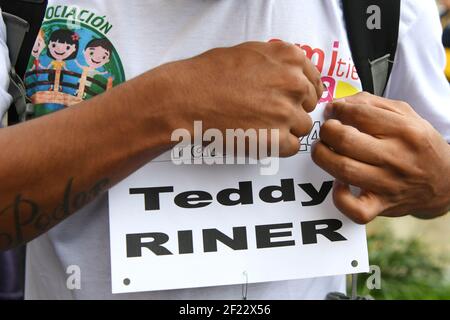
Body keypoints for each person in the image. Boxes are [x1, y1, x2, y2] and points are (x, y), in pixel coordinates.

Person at [0, 0, 449, 300]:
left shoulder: (386, 10)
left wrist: (436, 182)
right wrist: (168, 106)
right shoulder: (24, 9)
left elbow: (437, 168)